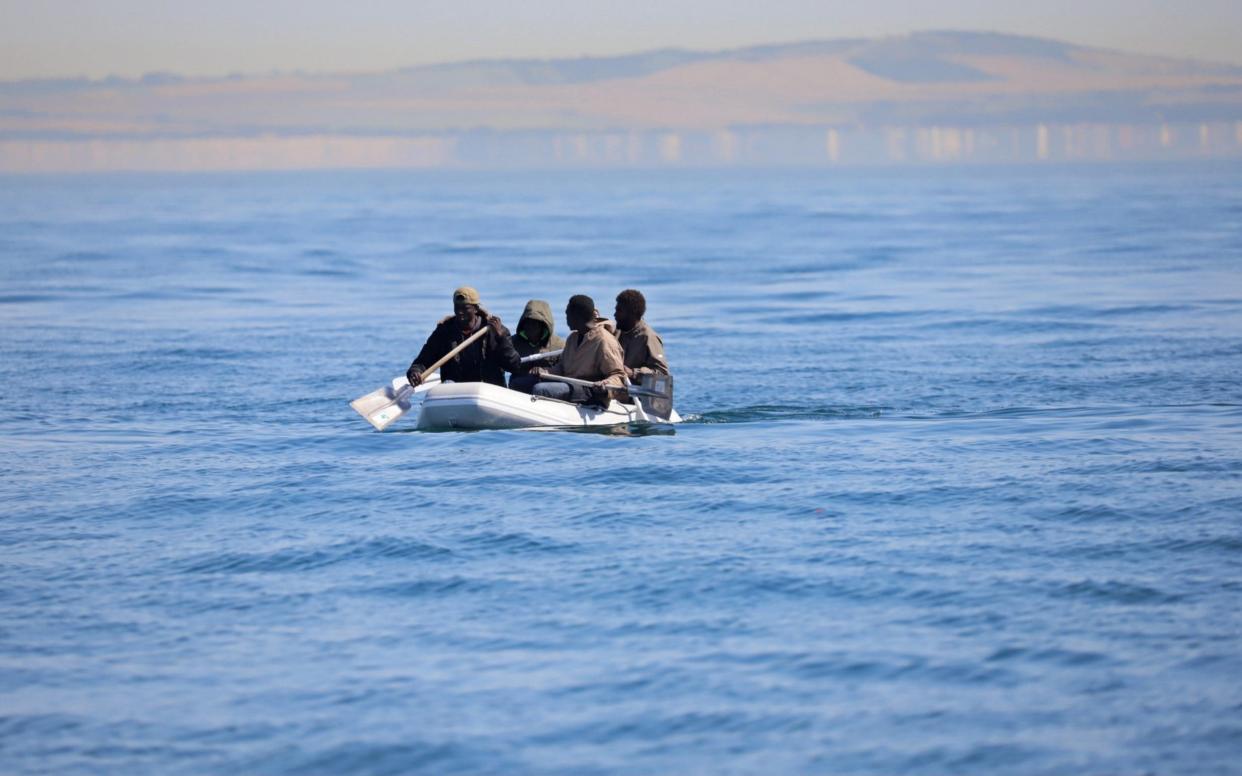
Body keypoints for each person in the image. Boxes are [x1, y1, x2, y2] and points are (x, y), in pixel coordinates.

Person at [406, 287, 521, 388]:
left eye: (465, 308)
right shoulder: (444, 331)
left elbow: (514, 366)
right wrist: (415, 371)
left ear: (475, 309)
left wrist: (501, 338)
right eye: (457, 307)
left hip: (488, 391)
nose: (460, 312)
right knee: (447, 385)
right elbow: (423, 360)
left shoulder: (495, 330)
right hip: (457, 391)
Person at [529, 294, 625, 406]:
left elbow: (618, 375)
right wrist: (544, 371)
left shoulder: (604, 340)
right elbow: (562, 367)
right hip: (570, 384)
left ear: (577, 316)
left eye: (567, 314)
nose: (566, 318)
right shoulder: (572, 338)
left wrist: (605, 385)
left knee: (540, 389)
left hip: (590, 391)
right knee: (521, 382)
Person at [508, 299, 565, 394]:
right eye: (528, 322)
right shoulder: (512, 343)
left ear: (544, 325)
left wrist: (546, 371)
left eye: (535, 324)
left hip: (547, 388)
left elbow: (566, 369)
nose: (530, 327)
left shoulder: (559, 345)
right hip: (518, 389)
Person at [613, 288, 669, 380]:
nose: (615, 315)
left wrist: (633, 373)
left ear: (632, 313)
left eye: (619, 311)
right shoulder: (617, 332)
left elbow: (662, 374)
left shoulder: (649, 337)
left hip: (636, 392)